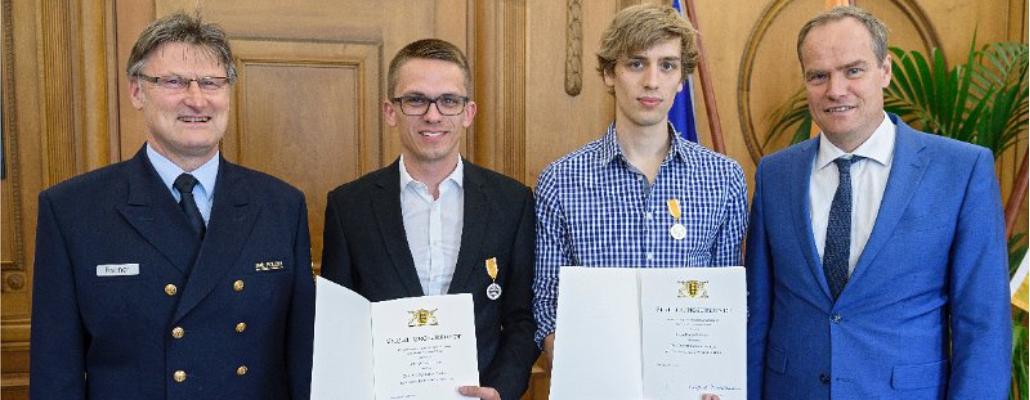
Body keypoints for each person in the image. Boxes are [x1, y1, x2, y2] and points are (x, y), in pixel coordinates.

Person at [29, 13, 315, 399]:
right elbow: (54, 372)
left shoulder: (282, 206)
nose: (196, 99)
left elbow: (303, 360)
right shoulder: (72, 211)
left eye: (212, 82)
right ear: (136, 91)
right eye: (173, 81)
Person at [746, 6, 1011, 399]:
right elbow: (759, 315)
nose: (835, 90)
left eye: (853, 70)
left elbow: (984, 325)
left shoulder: (961, 170)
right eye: (819, 76)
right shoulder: (775, 175)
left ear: (884, 70)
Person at [532, 3, 748, 369]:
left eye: (667, 65)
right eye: (636, 63)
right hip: (596, 382)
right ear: (609, 74)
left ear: (682, 78)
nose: (652, 81)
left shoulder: (723, 179)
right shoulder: (561, 181)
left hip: (688, 385)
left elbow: (729, 299)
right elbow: (547, 303)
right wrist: (581, 369)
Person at [320, 38, 538, 400]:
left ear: (468, 113)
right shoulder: (349, 207)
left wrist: (500, 389)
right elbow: (338, 324)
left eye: (448, 101)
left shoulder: (511, 202)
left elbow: (521, 318)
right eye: (416, 100)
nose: (433, 115)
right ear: (391, 111)